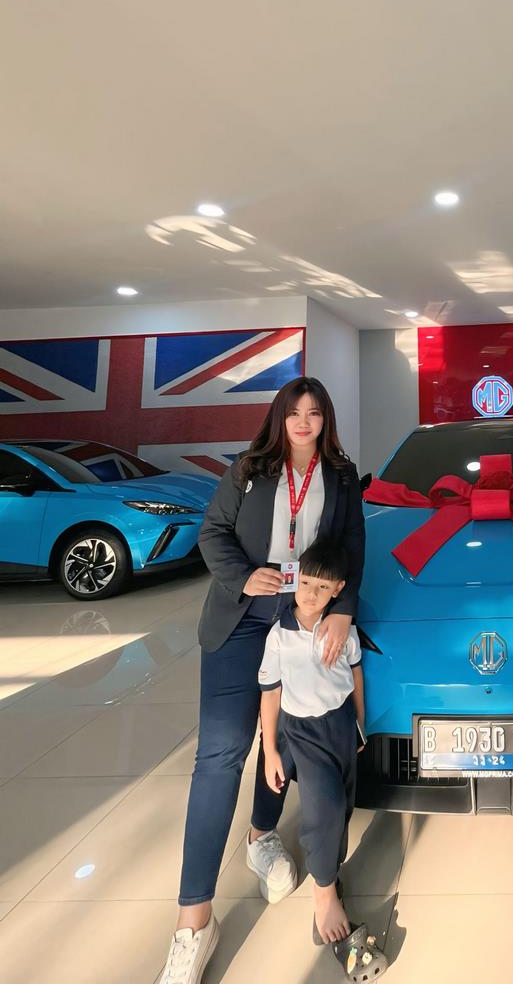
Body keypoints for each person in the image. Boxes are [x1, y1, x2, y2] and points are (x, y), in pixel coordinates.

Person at [155, 377, 365, 984]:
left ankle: (262, 834)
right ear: (280, 418)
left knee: (294, 736)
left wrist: (344, 607)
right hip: (242, 619)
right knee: (222, 753)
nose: (303, 421)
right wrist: (244, 576)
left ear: (325, 420)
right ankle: (194, 922)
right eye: (294, 412)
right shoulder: (249, 468)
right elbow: (212, 533)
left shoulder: (342, 475)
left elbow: (353, 545)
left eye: (314, 412)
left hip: (306, 619)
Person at [258, 540, 388, 978]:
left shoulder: (342, 630)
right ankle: (324, 895)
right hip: (303, 732)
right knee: (324, 808)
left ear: (339, 590)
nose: (311, 594)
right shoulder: (280, 636)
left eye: (322, 587)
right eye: (306, 583)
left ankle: (328, 868)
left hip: (340, 725)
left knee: (344, 805)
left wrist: (360, 722)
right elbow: (270, 693)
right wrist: (270, 750)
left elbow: (355, 675)